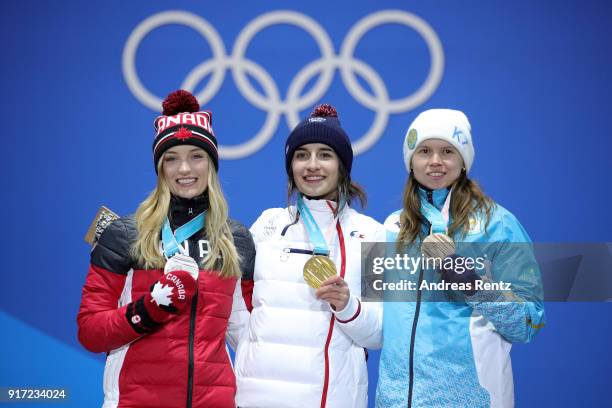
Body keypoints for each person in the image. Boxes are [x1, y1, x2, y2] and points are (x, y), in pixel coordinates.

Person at [77, 90, 255, 408]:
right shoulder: (125, 235)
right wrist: (149, 310)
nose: (184, 169)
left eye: (196, 156)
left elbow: (252, 335)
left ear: (212, 164)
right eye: (171, 158)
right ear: (160, 168)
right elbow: (90, 332)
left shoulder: (236, 239)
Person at [375, 108, 545, 407]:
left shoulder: (497, 225)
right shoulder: (392, 228)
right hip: (396, 400)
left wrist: (477, 287)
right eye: (424, 151)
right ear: (410, 161)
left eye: (448, 151)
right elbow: (376, 322)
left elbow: (529, 323)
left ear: (463, 161)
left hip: (470, 398)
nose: (435, 161)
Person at [234, 104, 383, 408]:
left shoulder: (373, 234)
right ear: (291, 166)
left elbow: (381, 333)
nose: (312, 165)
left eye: (324, 155)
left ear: (342, 165)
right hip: (256, 398)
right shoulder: (269, 224)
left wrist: (347, 306)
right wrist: (252, 345)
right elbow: (234, 297)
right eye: (302, 155)